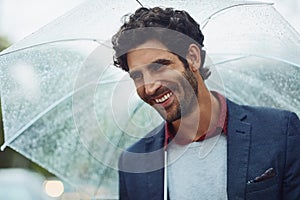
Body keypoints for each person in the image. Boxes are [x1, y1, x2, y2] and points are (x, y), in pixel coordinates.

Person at [111, 7, 300, 200]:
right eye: (137, 76)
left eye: (159, 66)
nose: (149, 88)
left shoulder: (280, 131)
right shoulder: (133, 164)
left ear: (193, 57)